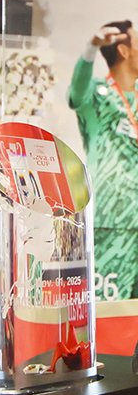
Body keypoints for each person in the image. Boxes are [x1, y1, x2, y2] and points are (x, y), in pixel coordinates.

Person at [68, 20, 138, 300]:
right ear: (124, 51)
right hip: (113, 222)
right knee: (113, 308)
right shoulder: (97, 96)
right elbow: (76, 93)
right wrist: (92, 47)